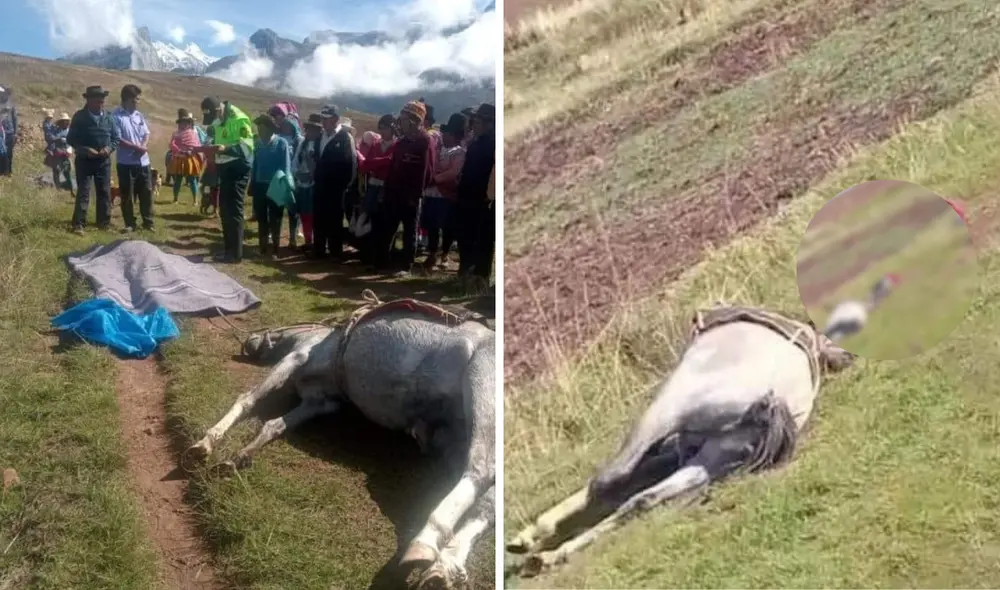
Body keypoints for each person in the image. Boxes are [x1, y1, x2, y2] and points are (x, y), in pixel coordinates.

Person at [373, 101, 434, 275]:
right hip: (393, 192)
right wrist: (386, 188)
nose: (401, 122)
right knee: (388, 228)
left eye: (404, 119)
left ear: (414, 121)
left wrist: (415, 195)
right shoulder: (402, 142)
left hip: (410, 195)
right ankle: (382, 263)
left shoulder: (424, 141)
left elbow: (426, 171)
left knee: (409, 230)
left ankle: (406, 265)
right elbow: (393, 167)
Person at [197, 96, 255, 263]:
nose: (213, 121)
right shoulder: (216, 122)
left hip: (238, 168)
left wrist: (225, 148)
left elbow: (246, 147)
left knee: (234, 210)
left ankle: (235, 254)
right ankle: (228, 250)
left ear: (219, 110)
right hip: (223, 168)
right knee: (224, 209)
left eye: (213, 116)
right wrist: (206, 147)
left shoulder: (239, 119)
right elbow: (213, 140)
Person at [67, 85, 120, 234]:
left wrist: (108, 149)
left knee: (104, 192)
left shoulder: (109, 117)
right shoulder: (80, 117)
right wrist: (85, 150)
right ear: (88, 100)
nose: (101, 102)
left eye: (102, 100)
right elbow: (71, 139)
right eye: (97, 100)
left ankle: (104, 223)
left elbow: (116, 138)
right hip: (84, 161)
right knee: (84, 192)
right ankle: (78, 224)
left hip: (103, 161)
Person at [421, 113, 467, 270]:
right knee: (432, 225)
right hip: (432, 193)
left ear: (453, 136)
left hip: (446, 195)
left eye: (447, 134)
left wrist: (435, 179)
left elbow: (453, 172)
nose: (444, 137)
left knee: (447, 226)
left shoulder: (460, 152)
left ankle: (445, 254)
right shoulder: (438, 150)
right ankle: (432, 253)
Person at [456, 103, 495, 284]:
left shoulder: (494, 145)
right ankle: (465, 270)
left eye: (478, 122)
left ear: (489, 124)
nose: (475, 125)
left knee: (482, 239)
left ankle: (480, 275)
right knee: (465, 234)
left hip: (482, 198)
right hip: (467, 195)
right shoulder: (475, 143)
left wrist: (489, 194)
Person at [311, 104, 356, 260]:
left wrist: (346, 186)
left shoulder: (345, 138)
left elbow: (352, 164)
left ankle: (335, 252)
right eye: (322, 119)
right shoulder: (319, 137)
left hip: (337, 189)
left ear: (336, 119)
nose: (323, 122)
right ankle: (319, 250)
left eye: (327, 119)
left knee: (335, 220)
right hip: (319, 186)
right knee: (318, 218)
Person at [111, 84, 154, 232]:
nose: (138, 102)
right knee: (127, 194)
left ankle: (148, 222)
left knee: (146, 192)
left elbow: (146, 133)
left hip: (143, 161)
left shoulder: (139, 115)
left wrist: (143, 146)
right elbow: (118, 138)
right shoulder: (116, 116)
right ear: (128, 99)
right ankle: (130, 223)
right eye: (137, 99)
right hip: (126, 162)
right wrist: (136, 147)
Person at [249, 114, 292, 260]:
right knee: (261, 218)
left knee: (276, 218)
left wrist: (285, 185)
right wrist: (252, 183)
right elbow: (255, 165)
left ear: (270, 129)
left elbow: (286, 167)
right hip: (260, 185)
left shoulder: (281, 143)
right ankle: (262, 247)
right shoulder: (258, 144)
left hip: (276, 186)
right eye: (258, 128)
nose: (260, 131)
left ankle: (275, 248)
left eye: (262, 128)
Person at [292, 113, 323, 252]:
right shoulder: (302, 144)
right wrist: (296, 174)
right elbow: (295, 163)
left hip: (314, 185)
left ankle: (317, 242)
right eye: (309, 129)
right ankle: (308, 241)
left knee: (313, 214)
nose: (310, 132)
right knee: (304, 214)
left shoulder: (321, 145)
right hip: (301, 183)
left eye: (314, 129)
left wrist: (312, 175)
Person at [168, 108, 204, 203]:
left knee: (192, 179)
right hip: (179, 158)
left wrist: (191, 151)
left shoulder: (193, 133)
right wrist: (179, 150)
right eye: (182, 122)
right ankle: (175, 199)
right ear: (179, 123)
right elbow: (172, 144)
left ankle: (195, 200)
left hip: (190, 158)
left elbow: (196, 145)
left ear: (188, 123)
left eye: (186, 122)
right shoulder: (175, 134)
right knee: (178, 180)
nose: (184, 124)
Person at [45, 112, 75, 193]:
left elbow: (72, 141)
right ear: (61, 122)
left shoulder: (69, 131)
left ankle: (69, 187)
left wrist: (67, 143)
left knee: (66, 170)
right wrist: (58, 139)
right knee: (56, 170)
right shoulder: (56, 130)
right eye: (64, 121)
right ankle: (58, 187)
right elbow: (50, 137)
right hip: (57, 153)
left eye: (67, 121)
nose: (66, 122)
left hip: (66, 153)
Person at [199, 126, 220, 216]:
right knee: (208, 188)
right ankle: (211, 204)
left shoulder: (212, 141)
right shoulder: (208, 140)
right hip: (211, 168)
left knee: (214, 190)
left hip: (215, 168)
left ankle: (215, 208)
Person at [0, 86, 17, 176]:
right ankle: (2, 171)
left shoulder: (11, 104)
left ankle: (9, 171)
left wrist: (16, 132)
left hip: (10, 132)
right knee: (1, 152)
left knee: (9, 153)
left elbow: (15, 119)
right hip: (1, 133)